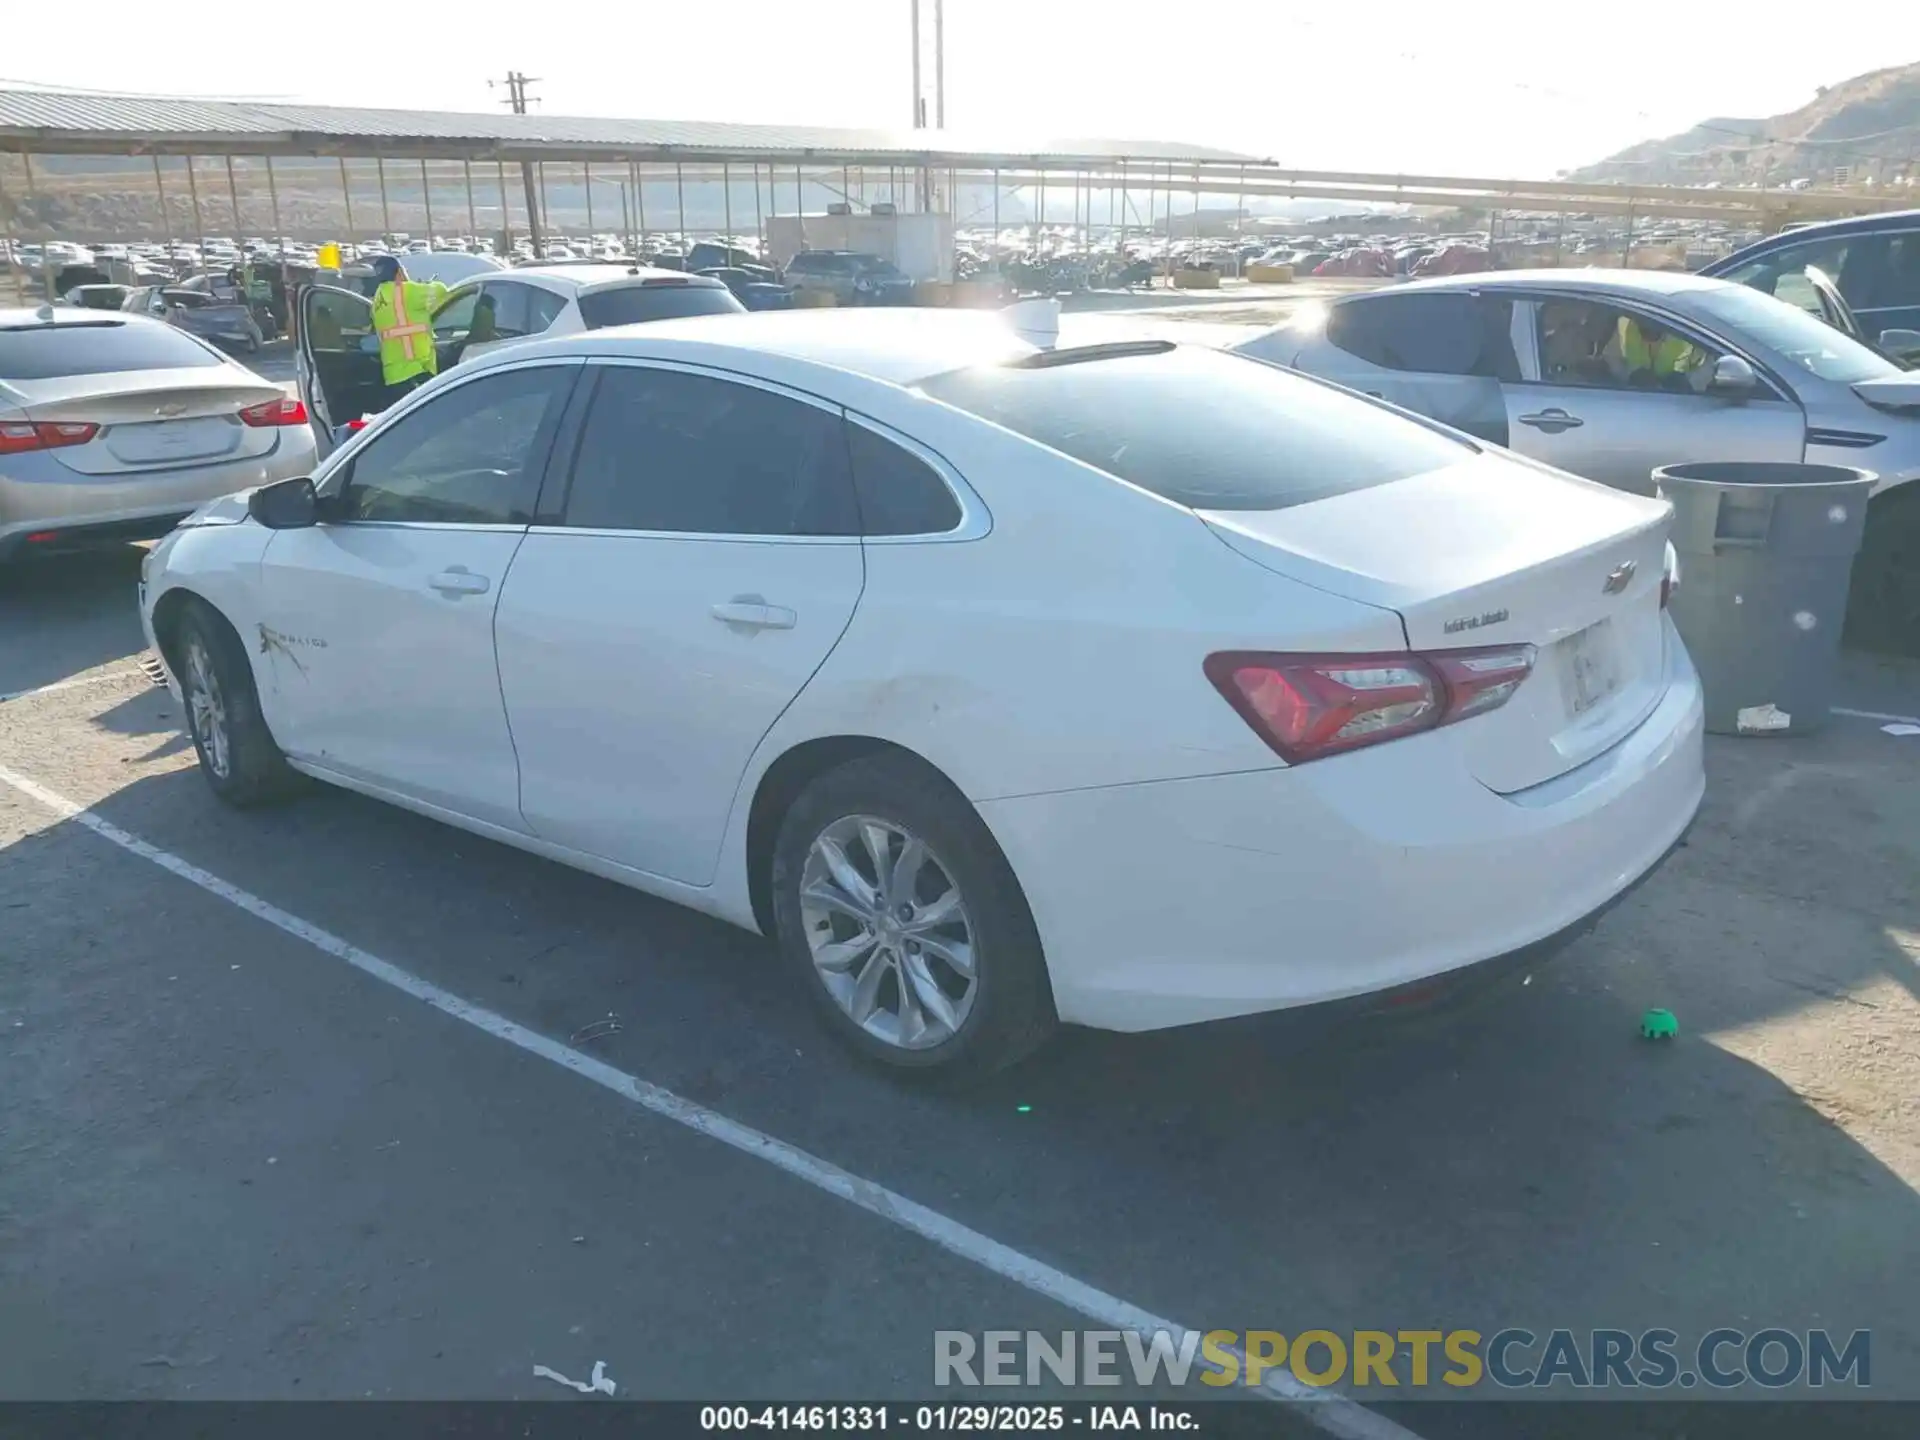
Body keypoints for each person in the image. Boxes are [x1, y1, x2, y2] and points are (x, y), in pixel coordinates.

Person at [368, 255, 447, 403]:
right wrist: (421, 284)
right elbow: (441, 290)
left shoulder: (377, 299)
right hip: (414, 370)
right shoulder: (406, 291)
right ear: (399, 272)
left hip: (393, 374)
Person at [1606, 312, 1702, 388]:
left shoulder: (1688, 330)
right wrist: (1629, 378)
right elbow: (1612, 360)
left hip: (1678, 399)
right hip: (1636, 397)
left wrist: (1686, 386)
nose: (1649, 324)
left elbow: (1704, 369)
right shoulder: (1624, 324)